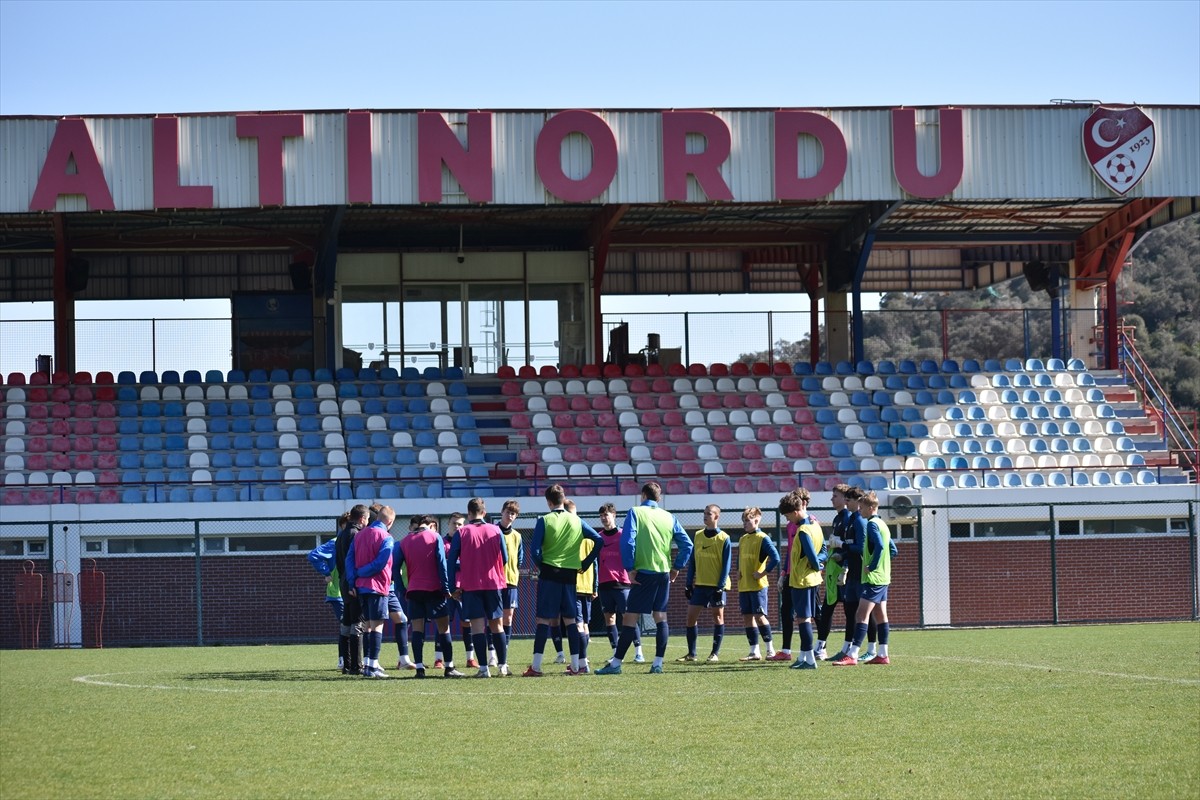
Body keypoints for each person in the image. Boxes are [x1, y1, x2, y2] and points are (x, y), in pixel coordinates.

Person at [596, 481, 693, 675]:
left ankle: (615, 664)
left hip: (643, 574)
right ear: (659, 498)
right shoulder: (669, 516)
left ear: (642, 496)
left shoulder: (636, 512)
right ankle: (657, 663)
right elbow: (687, 544)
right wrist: (676, 567)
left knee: (630, 618)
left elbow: (628, 540)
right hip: (663, 573)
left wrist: (630, 568)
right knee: (660, 617)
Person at [523, 485, 602, 677]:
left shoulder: (545, 520)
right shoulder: (576, 520)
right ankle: (576, 666)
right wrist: (585, 562)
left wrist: (543, 566)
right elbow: (598, 540)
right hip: (570, 575)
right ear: (563, 498)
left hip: (550, 574)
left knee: (543, 619)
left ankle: (536, 666)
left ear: (548, 501)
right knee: (571, 620)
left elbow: (534, 551)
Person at [448, 497, 511, 678]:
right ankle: (502, 666)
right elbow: (505, 558)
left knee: (477, 626)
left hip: (471, 585)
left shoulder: (462, 533)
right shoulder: (496, 530)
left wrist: (453, 587)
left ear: (469, 514)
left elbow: (451, 562)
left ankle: (484, 668)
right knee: (497, 625)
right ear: (484, 513)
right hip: (493, 583)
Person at [395, 514, 463, 679]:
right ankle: (449, 667)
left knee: (417, 630)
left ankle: (419, 669)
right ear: (431, 525)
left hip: (414, 591)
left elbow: (395, 568)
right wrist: (446, 588)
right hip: (434, 589)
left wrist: (403, 589)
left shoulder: (404, 541)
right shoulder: (435, 537)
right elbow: (441, 563)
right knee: (443, 628)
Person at [832, 491, 893, 666]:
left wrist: (872, 566)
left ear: (871, 508)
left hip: (873, 577)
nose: (860, 511)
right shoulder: (883, 524)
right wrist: (882, 565)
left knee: (861, 614)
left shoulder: (872, 524)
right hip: (883, 577)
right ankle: (882, 654)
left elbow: (880, 547)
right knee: (881, 615)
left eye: (863, 508)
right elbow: (892, 549)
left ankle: (853, 654)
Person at [344, 504, 397, 679]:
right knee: (377, 626)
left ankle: (368, 664)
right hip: (377, 586)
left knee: (366, 626)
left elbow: (349, 560)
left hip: (361, 587)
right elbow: (380, 564)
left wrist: (354, 580)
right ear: (389, 522)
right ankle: (372, 666)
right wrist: (362, 573)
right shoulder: (386, 537)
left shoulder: (359, 535)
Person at [677, 504, 731, 664]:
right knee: (690, 618)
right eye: (704, 513)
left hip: (717, 587)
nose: (705, 516)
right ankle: (692, 654)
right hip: (700, 585)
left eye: (709, 514)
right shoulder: (698, 535)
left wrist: (720, 586)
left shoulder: (724, 538)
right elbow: (692, 561)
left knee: (718, 617)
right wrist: (688, 583)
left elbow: (726, 565)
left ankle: (714, 653)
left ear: (717, 517)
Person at [779, 488, 826, 670]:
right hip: (812, 579)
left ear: (796, 511)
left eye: (787, 515)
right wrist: (819, 565)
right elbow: (823, 552)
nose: (787, 519)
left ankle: (809, 659)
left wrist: (815, 564)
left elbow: (813, 557)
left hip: (802, 580)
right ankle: (804, 656)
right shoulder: (816, 526)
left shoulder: (804, 531)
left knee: (803, 619)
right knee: (804, 618)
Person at [595, 502, 645, 663]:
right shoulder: (599, 538)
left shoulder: (624, 535)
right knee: (609, 618)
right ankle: (616, 653)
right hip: (604, 584)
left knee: (628, 617)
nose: (603, 518)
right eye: (601, 515)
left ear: (614, 516)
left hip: (622, 583)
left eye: (606, 515)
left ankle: (639, 652)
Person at [735, 506, 781, 662]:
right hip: (744, 585)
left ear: (757, 520)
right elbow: (739, 557)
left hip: (758, 586)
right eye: (743, 521)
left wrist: (762, 573)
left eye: (747, 521)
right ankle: (754, 651)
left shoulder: (762, 538)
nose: (744, 524)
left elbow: (775, 558)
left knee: (760, 617)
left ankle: (770, 650)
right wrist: (737, 570)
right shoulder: (742, 539)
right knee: (748, 617)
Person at [815, 484, 851, 661]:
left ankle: (852, 648)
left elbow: (850, 546)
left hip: (845, 571)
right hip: (834, 571)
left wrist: (844, 563)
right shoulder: (837, 519)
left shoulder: (849, 518)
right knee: (828, 608)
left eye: (835, 496)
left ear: (845, 498)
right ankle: (821, 646)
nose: (832, 499)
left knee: (851, 610)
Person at [306, 514, 346, 671]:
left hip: (348, 591)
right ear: (342, 525)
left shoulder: (353, 541)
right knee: (346, 625)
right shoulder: (335, 543)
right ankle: (343, 659)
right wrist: (326, 572)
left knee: (353, 626)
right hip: (337, 593)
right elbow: (313, 555)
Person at [334, 504, 369, 675]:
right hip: (352, 584)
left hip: (343, 582)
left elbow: (339, 563)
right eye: (367, 519)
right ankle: (356, 666)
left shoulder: (341, 535)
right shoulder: (356, 534)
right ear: (362, 519)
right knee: (357, 625)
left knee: (346, 624)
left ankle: (347, 665)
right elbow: (353, 562)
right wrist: (353, 583)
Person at [572, 500, 599, 674]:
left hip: (574, 585)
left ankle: (582, 661)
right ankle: (585, 657)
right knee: (586, 624)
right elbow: (595, 563)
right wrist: (595, 586)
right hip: (588, 585)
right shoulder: (590, 534)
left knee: (579, 624)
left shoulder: (571, 534)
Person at [497, 499, 523, 661]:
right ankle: (493, 651)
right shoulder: (493, 531)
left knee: (508, 617)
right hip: (494, 581)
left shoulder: (517, 536)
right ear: (502, 512)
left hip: (511, 580)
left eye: (513, 513)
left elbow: (519, 559)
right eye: (508, 512)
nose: (510, 516)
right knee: (494, 618)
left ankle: (504, 649)